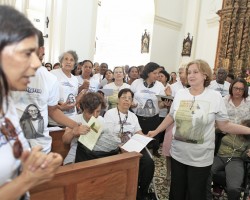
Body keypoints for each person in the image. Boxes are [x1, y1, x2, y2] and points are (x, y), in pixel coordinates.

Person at [147, 59, 250, 200]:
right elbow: (171, 116)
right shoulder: (181, 94)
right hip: (178, 154)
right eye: (189, 72)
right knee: (176, 193)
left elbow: (224, 125)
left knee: (195, 193)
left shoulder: (214, 97)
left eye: (196, 72)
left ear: (205, 75)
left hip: (200, 158)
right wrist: (156, 131)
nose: (191, 75)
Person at [0, 5, 62, 199]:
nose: (36, 64)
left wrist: (28, 163)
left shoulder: (7, 102)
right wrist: (27, 179)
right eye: (27, 53)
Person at [12, 29, 80, 153]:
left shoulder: (50, 79)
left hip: (39, 147)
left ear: (41, 50)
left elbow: (52, 111)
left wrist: (75, 125)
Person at [103, 89, 155, 200]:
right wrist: (121, 146)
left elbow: (138, 133)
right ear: (118, 99)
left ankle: (142, 191)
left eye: (129, 98)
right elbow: (109, 135)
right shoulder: (110, 113)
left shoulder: (133, 116)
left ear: (132, 102)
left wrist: (146, 137)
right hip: (115, 146)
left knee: (149, 163)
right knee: (126, 164)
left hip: (133, 146)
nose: (126, 100)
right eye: (124, 97)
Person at [207, 78, 250, 200]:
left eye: (241, 89)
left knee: (234, 187)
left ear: (245, 90)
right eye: (236, 88)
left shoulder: (249, 102)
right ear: (231, 88)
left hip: (243, 139)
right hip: (223, 136)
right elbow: (215, 119)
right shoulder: (224, 100)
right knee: (204, 172)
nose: (238, 91)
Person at [62, 92, 117, 165]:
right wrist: (74, 132)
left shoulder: (101, 120)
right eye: (91, 112)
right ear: (84, 108)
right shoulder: (75, 119)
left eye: (98, 111)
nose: (95, 115)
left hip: (96, 153)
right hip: (76, 151)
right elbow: (65, 141)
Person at [130, 62, 166, 158]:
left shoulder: (160, 86)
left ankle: (149, 158)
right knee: (137, 142)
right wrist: (131, 104)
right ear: (148, 72)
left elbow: (160, 105)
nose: (157, 75)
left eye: (158, 73)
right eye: (155, 73)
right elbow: (129, 97)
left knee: (151, 142)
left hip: (153, 119)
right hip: (137, 118)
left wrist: (165, 103)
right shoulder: (136, 83)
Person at [49, 50, 80, 126]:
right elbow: (47, 96)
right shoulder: (53, 74)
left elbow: (74, 98)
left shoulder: (75, 79)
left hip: (72, 119)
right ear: (61, 61)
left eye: (71, 60)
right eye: (66, 59)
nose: (68, 62)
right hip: (55, 121)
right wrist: (60, 107)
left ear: (74, 64)